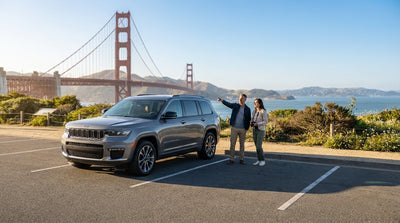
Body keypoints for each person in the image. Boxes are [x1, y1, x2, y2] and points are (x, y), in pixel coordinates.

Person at [217, 94, 251, 165]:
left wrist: (246, 128)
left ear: (245, 100)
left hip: (243, 129)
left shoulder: (248, 109)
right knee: (232, 144)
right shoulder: (235, 106)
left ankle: (241, 159)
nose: (240, 99)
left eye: (242, 98)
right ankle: (231, 159)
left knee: (242, 145)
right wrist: (222, 100)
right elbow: (228, 104)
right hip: (234, 128)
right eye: (240, 98)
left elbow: (248, 119)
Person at [251, 98, 268, 166]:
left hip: (261, 130)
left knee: (258, 146)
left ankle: (262, 160)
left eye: (256, 103)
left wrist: (257, 124)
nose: (255, 104)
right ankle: (258, 160)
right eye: (254, 103)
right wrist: (251, 123)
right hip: (254, 130)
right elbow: (253, 119)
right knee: (256, 146)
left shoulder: (263, 111)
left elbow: (266, 121)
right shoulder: (254, 111)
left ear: (260, 104)